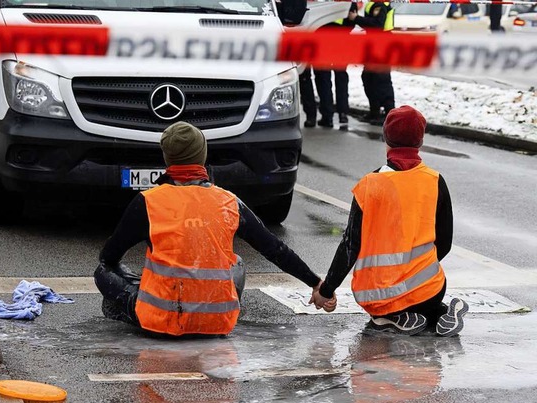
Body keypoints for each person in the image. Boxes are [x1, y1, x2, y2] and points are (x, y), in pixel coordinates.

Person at [95, 121, 322, 336]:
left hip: (161, 322)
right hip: (218, 322)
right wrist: (317, 284)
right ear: (202, 156)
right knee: (238, 262)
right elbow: (275, 249)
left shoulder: (149, 201)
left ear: (167, 159)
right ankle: (215, 310)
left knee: (103, 271)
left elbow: (109, 256)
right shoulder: (229, 202)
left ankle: (130, 310)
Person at [310, 106, 468, 337]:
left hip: (378, 295)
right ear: (420, 141)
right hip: (429, 290)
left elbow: (349, 246)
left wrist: (326, 290)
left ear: (385, 138)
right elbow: (444, 243)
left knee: (384, 309)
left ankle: (393, 317)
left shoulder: (370, 185)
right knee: (424, 294)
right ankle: (438, 312)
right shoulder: (434, 181)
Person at [347, 2, 396, 125]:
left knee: (381, 80)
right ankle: (375, 112)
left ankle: (389, 113)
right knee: (369, 78)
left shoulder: (380, 4)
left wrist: (356, 18)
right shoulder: (374, 3)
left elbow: (377, 24)